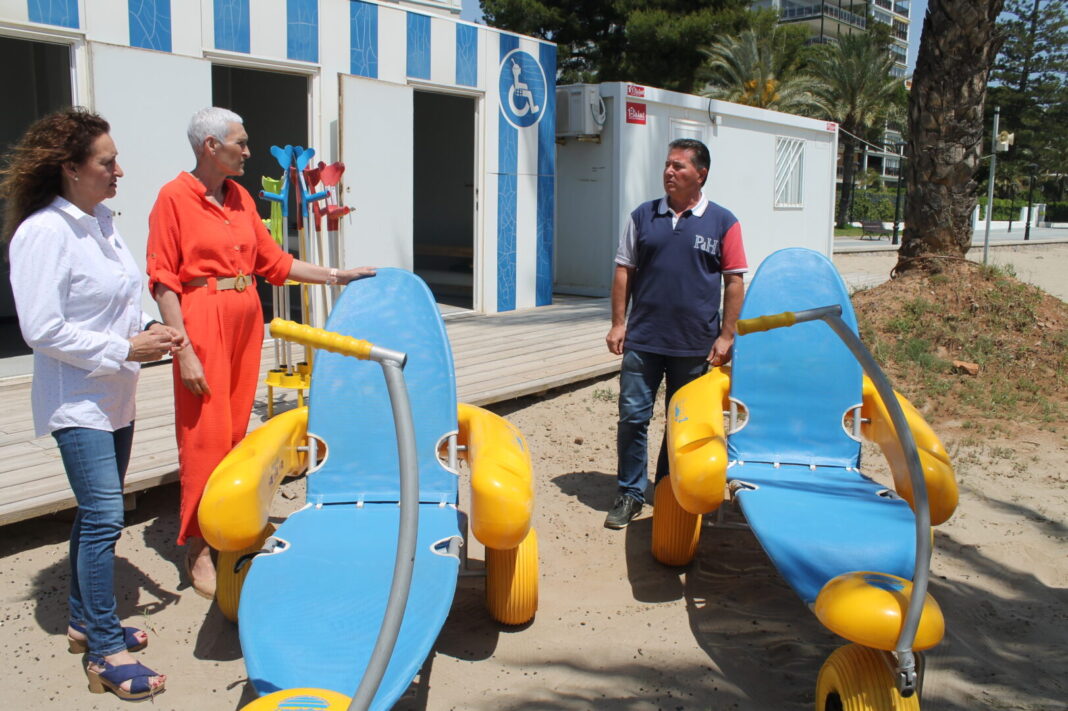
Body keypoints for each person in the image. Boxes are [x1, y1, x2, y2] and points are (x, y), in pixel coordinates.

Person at [147, 107, 375, 598]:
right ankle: (199, 545)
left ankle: (232, 522)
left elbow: (275, 263)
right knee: (204, 435)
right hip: (202, 318)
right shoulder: (173, 198)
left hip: (245, 318)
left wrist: (338, 275)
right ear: (211, 146)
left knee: (234, 432)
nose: (248, 152)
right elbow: (163, 281)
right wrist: (182, 350)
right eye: (241, 142)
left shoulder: (241, 197)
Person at [2, 108, 181, 700]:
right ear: (71, 168)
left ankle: (84, 622)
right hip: (77, 402)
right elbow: (41, 329)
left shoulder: (101, 222)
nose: (119, 171)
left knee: (94, 513)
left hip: (115, 395)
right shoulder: (44, 233)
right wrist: (126, 347)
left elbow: (120, 299)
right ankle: (104, 650)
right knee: (105, 517)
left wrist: (149, 328)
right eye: (108, 162)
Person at [603, 138, 747, 530]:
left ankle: (668, 489)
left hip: (695, 344)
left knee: (681, 422)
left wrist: (727, 336)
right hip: (644, 340)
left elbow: (734, 282)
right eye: (668, 164)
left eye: (678, 166)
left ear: (701, 173)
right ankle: (630, 493)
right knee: (633, 418)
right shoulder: (642, 216)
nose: (669, 171)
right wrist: (619, 323)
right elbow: (624, 270)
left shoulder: (724, 222)